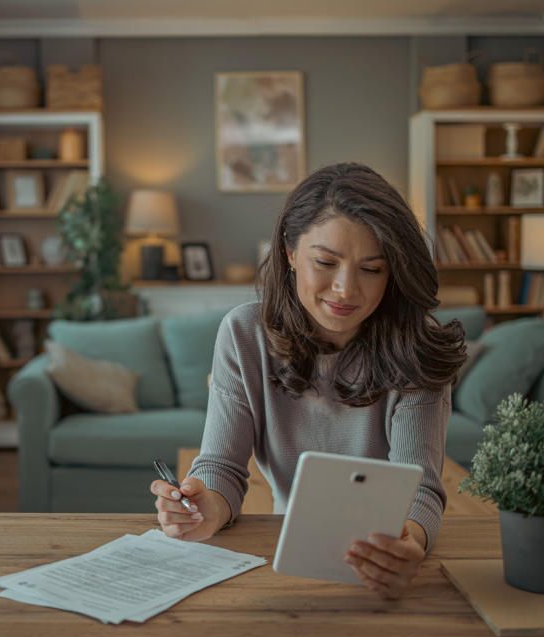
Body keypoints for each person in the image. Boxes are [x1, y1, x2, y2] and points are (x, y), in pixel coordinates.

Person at [150, 162, 466, 599]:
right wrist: (203, 508)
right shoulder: (243, 334)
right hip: (283, 566)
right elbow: (221, 467)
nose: (345, 289)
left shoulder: (418, 345)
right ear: (290, 253)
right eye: (326, 262)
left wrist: (408, 542)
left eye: (372, 269)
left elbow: (420, 489)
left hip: (379, 559)